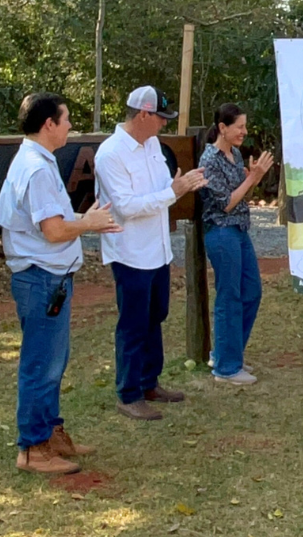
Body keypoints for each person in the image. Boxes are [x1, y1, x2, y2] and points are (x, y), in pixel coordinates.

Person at [0, 92, 122, 474]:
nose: (71, 126)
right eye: (66, 119)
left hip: (49, 279)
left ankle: (50, 434)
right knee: (41, 364)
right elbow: (52, 231)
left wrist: (84, 219)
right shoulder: (35, 168)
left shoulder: (36, 162)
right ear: (49, 124)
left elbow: (51, 223)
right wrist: (89, 223)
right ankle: (33, 449)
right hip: (41, 279)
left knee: (52, 361)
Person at [95, 86, 207, 420]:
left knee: (155, 316)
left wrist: (177, 186)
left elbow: (162, 191)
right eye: (160, 117)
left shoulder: (153, 144)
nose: (163, 124)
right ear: (143, 114)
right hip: (130, 251)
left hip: (157, 249)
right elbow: (126, 207)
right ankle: (128, 393)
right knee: (133, 322)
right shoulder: (110, 153)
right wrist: (174, 191)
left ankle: (149, 382)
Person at [199, 103, 274, 386]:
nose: (244, 131)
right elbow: (227, 203)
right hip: (222, 231)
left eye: (245, 126)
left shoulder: (236, 155)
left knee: (251, 291)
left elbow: (242, 195)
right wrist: (252, 178)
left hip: (240, 230)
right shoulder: (210, 159)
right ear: (222, 128)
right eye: (239, 126)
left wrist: (253, 178)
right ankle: (226, 368)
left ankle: (228, 354)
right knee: (229, 296)